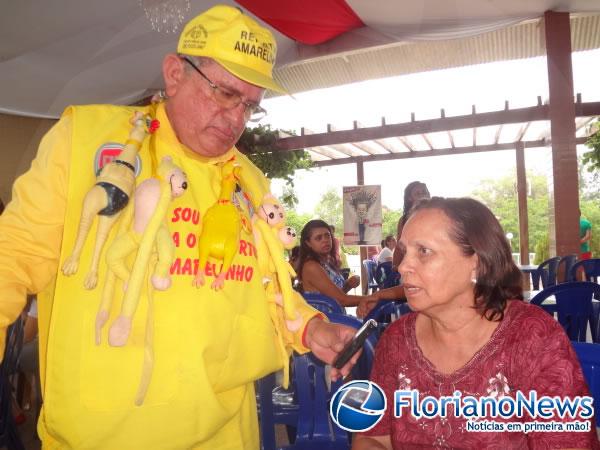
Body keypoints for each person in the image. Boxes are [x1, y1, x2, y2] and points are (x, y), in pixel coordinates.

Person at [0, 6, 361, 449]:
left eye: (249, 105)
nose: (235, 118)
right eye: (225, 93)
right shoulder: (86, 142)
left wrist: (312, 328)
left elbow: (268, 287)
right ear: (175, 73)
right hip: (104, 436)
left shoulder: (248, 180)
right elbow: (11, 260)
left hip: (229, 434)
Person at [353, 197, 599, 449]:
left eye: (424, 252)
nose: (403, 266)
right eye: (404, 252)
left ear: (477, 264)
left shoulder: (532, 337)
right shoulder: (396, 340)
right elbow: (371, 436)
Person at [296, 219, 375, 317]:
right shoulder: (311, 266)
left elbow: (334, 296)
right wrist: (373, 298)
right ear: (308, 243)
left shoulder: (327, 261)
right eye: (318, 238)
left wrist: (348, 284)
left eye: (327, 235)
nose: (325, 240)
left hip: (336, 317)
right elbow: (341, 300)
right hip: (324, 323)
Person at [392, 181, 430, 269]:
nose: (422, 195)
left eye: (424, 192)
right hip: (411, 267)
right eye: (418, 193)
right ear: (410, 198)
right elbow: (399, 246)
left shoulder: (438, 217)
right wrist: (396, 265)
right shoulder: (404, 220)